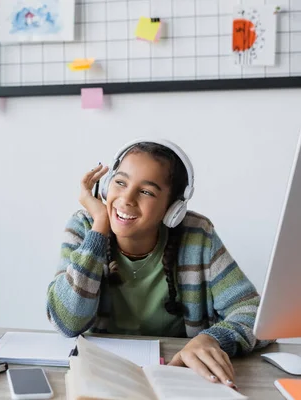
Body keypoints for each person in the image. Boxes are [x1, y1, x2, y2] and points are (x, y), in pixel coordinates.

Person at [46, 139, 271, 390]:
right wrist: (99, 226)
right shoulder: (85, 227)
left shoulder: (197, 236)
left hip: (176, 378)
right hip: (104, 377)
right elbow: (67, 322)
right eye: (120, 182)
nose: (126, 198)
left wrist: (213, 339)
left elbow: (258, 315)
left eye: (147, 192)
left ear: (173, 208)